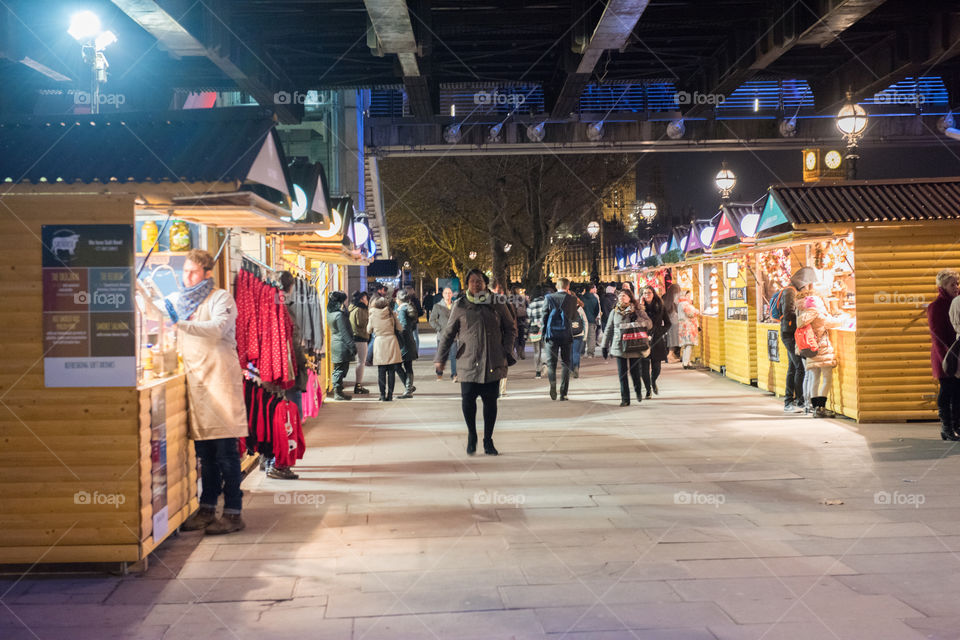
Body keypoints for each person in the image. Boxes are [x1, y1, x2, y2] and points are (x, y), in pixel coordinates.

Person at [174, 250, 248, 535]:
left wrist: (180, 323)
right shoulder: (181, 302)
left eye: (193, 272)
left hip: (220, 382)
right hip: (197, 385)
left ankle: (233, 512)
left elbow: (217, 329)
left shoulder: (221, 299)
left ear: (207, 273)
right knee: (204, 453)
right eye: (185, 271)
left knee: (226, 452)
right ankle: (206, 508)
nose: (187, 277)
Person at [435, 269, 517, 455]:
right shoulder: (460, 305)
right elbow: (448, 334)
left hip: (492, 360)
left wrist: (505, 350)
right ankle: (472, 434)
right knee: (468, 401)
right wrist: (440, 358)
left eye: (479, 281)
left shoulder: (498, 302)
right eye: (472, 281)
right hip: (468, 361)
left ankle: (488, 439)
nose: (475, 284)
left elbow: (510, 329)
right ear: (467, 285)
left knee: (490, 403)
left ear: (485, 283)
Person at [796, 284, 842, 418]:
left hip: (811, 351)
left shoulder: (804, 315)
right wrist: (845, 318)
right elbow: (834, 323)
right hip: (822, 349)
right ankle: (821, 407)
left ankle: (815, 408)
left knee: (814, 378)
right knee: (827, 378)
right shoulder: (819, 316)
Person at [601, 288, 652, 406]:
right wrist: (604, 345)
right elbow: (609, 329)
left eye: (624, 295)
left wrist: (638, 320)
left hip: (634, 345)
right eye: (620, 296)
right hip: (619, 345)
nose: (621, 298)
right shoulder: (614, 312)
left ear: (630, 298)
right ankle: (625, 399)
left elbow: (649, 324)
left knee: (635, 372)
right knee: (622, 374)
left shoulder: (638, 311)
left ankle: (638, 391)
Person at [927, 269, 960, 440]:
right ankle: (946, 427)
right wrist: (948, 362)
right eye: (952, 284)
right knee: (947, 390)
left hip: (958, 354)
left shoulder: (957, 302)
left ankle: (956, 425)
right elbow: (937, 337)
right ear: (943, 286)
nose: (956, 287)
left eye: (957, 284)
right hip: (945, 357)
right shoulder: (936, 307)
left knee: (957, 392)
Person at [780, 268, 814, 414]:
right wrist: (801, 319)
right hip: (790, 333)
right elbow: (789, 312)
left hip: (790, 332)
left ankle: (790, 401)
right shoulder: (790, 291)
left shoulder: (790, 290)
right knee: (799, 367)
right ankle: (798, 401)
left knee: (793, 367)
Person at [544, 278, 579, 400]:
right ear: (568, 286)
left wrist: (544, 333)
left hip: (552, 335)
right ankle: (563, 393)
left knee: (551, 363)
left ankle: (553, 384)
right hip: (566, 334)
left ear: (556, 286)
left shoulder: (549, 298)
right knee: (565, 363)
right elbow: (574, 316)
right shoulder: (572, 299)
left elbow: (544, 316)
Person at [367, 295, 403, 401]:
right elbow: (400, 328)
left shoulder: (372, 315)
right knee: (391, 371)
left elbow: (368, 330)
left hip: (380, 343)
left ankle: (382, 395)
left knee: (381, 371)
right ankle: (390, 395)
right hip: (391, 342)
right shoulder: (391, 314)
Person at [640, 286, 670, 398]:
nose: (647, 295)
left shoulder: (660, 306)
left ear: (653, 294)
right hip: (643, 339)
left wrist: (660, 331)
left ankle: (653, 381)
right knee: (644, 368)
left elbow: (668, 323)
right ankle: (648, 390)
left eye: (649, 292)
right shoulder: (639, 308)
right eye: (644, 293)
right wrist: (640, 307)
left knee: (657, 368)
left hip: (656, 340)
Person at [326, 291, 357, 401]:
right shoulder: (339, 315)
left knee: (339, 368)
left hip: (336, 343)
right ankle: (337, 392)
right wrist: (352, 346)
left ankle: (339, 391)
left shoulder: (330, 313)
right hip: (341, 345)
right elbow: (344, 332)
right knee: (340, 369)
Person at [491, 279, 517, 396]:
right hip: (502, 335)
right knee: (503, 363)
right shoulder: (504, 301)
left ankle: (495, 387)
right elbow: (512, 318)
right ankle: (502, 389)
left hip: (493, 336)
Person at [429, 287, 459, 382]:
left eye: (449, 293)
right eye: (446, 293)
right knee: (441, 355)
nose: (448, 295)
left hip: (454, 335)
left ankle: (454, 375)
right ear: (443, 295)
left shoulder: (456, 306)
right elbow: (432, 320)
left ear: (452, 295)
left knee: (454, 356)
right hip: (442, 335)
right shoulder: (437, 306)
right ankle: (439, 374)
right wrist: (439, 328)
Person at [395, 289, 419, 398]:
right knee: (407, 365)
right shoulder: (408, 308)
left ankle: (408, 389)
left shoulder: (402, 310)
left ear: (399, 300)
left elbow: (403, 326)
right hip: (409, 340)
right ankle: (409, 387)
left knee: (398, 365)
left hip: (404, 342)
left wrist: (398, 334)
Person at [349, 291, 371, 395]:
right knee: (361, 362)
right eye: (366, 299)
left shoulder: (352, 308)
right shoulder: (360, 309)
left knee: (360, 361)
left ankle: (358, 385)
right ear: (361, 299)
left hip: (355, 336)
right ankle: (358, 385)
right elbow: (362, 323)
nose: (367, 301)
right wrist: (370, 319)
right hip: (360, 337)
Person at [527, 286, 549, 378]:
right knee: (544, 349)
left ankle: (538, 372)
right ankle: (545, 364)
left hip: (534, 329)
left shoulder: (531, 304)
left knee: (536, 351)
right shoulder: (546, 302)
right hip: (544, 328)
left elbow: (529, 316)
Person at [677, 290, 700, 369]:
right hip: (688, 327)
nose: (689, 297)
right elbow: (690, 314)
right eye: (688, 295)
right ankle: (686, 363)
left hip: (684, 327)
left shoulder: (681, 303)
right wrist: (697, 311)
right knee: (689, 344)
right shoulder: (685, 304)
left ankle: (686, 362)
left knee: (687, 345)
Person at [581, 284, 601, 358]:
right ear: (591, 289)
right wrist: (594, 317)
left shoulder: (581, 298)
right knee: (591, 337)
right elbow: (597, 310)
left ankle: (581, 352)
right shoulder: (595, 298)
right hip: (591, 320)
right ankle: (590, 353)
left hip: (582, 320)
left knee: (582, 336)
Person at [570, 297, 588, 378]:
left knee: (569, 353)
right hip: (579, 333)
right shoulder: (580, 309)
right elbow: (585, 321)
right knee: (576, 352)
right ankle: (576, 366)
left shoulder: (566, 308)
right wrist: (585, 335)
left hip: (569, 334)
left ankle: (571, 370)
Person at [663, 283, 681, 363]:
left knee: (671, 339)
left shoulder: (666, 297)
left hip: (669, 321)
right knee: (674, 340)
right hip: (675, 322)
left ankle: (671, 356)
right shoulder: (675, 297)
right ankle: (669, 356)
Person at [404, 285, 423, 349]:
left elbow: (420, 311)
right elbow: (420, 311)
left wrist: (414, 316)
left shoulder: (414, 300)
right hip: (413, 321)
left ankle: (415, 350)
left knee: (414, 337)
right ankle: (414, 350)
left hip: (412, 321)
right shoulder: (415, 300)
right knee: (414, 337)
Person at [512, 286, 529, 359]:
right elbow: (527, 307)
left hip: (515, 319)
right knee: (522, 335)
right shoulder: (522, 298)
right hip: (522, 319)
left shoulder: (510, 299)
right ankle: (521, 351)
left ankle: (519, 352)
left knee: (517, 336)